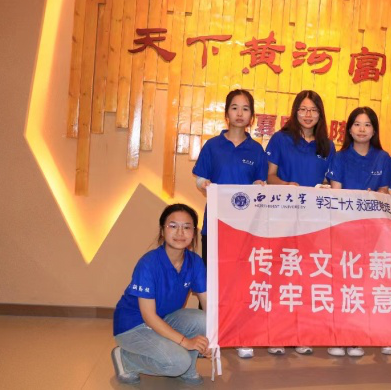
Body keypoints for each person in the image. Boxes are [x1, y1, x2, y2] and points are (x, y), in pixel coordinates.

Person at [191, 88, 267, 359]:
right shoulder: (212, 146)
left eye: (245, 108)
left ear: (251, 116)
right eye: (235, 107)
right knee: (211, 281)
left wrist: (260, 185)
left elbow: (260, 182)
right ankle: (208, 337)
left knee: (241, 282)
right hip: (215, 225)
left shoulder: (256, 150)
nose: (239, 113)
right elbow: (200, 179)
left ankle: (240, 336)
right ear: (226, 113)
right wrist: (204, 184)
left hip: (244, 229)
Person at [265, 90, 335, 355]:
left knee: (305, 278)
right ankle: (275, 335)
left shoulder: (327, 145)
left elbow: (330, 181)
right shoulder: (281, 139)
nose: (308, 115)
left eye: (313, 110)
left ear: (320, 114)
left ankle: (299, 333)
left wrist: (326, 187)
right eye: (303, 109)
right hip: (282, 217)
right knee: (280, 276)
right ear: (295, 112)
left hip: (313, 223)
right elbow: (270, 176)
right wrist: (286, 185)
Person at [111, 204, 209, 385]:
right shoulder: (148, 263)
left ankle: (188, 368)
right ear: (163, 231)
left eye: (187, 227)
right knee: (178, 363)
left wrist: (214, 339)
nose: (180, 233)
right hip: (133, 326)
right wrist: (185, 342)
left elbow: (207, 303)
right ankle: (125, 359)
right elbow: (148, 317)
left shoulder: (195, 262)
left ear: (193, 233)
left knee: (203, 319)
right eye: (173, 226)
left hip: (163, 319)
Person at [325, 106, 391, 357]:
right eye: (357, 124)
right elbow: (336, 195)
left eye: (367, 124)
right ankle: (337, 336)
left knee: (363, 285)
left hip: (372, 232)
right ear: (349, 129)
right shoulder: (340, 157)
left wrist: (380, 197)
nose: (362, 129)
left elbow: (384, 193)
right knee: (341, 283)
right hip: (343, 230)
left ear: (374, 130)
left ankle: (355, 338)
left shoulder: (383, 158)